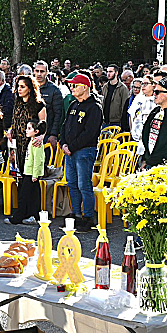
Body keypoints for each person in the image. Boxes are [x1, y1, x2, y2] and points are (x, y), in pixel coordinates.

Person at [60, 73, 102, 232]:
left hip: (84, 151)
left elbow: (90, 132)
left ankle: (88, 216)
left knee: (84, 184)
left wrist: (71, 146)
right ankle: (76, 214)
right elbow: (65, 126)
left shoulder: (94, 107)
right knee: (72, 183)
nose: (72, 88)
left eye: (75, 85)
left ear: (85, 87)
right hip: (70, 151)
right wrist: (63, 143)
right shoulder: (73, 104)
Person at [8, 75, 47, 225]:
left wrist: (40, 137)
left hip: (32, 146)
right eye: (18, 86)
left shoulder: (38, 105)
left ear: (30, 89)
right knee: (22, 180)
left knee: (31, 181)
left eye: (22, 86)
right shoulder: (17, 103)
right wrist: (11, 130)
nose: (19, 89)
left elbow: (43, 124)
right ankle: (28, 212)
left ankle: (29, 213)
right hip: (17, 145)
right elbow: (15, 121)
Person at [32, 61, 63, 148]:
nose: (39, 74)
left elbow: (58, 114)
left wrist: (53, 134)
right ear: (34, 71)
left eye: (42, 71)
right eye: (37, 71)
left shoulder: (54, 90)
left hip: (46, 134)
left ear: (47, 72)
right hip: (29, 132)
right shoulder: (29, 87)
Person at [128, 75, 155, 151]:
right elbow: (131, 115)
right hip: (137, 138)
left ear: (153, 85)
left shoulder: (156, 100)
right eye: (142, 84)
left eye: (146, 84)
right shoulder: (138, 98)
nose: (143, 86)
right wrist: (132, 131)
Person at [100, 64, 129, 128]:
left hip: (117, 122)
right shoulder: (105, 87)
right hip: (105, 121)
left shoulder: (123, 88)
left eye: (110, 72)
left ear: (116, 73)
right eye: (107, 71)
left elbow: (124, 107)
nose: (108, 74)